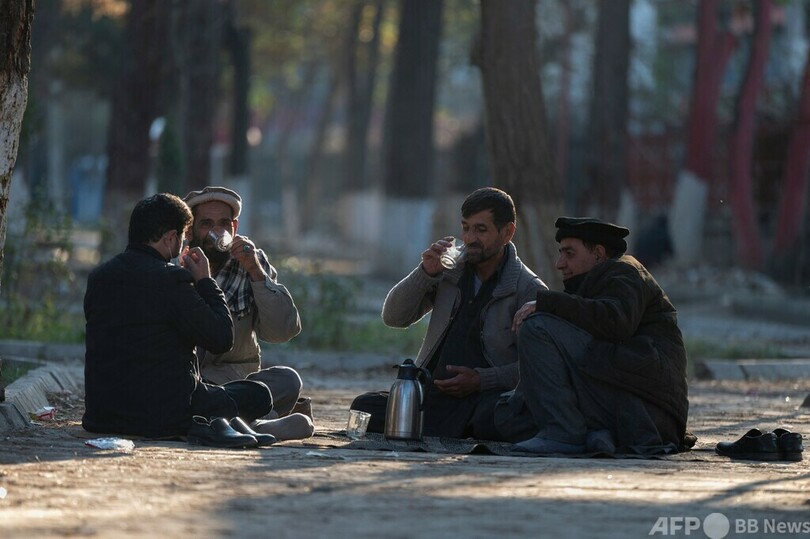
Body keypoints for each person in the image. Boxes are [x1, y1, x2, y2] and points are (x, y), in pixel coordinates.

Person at [352, 187, 547, 440]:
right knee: (363, 406)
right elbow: (394, 317)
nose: (469, 238)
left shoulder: (528, 289)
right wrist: (425, 272)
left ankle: (444, 427)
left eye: (481, 229)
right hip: (431, 395)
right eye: (465, 228)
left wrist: (481, 380)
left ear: (507, 232)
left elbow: (539, 367)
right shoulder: (450, 270)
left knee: (496, 419)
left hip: (483, 399)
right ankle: (440, 426)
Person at [83, 193, 275, 448]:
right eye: (183, 236)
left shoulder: (99, 277)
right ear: (171, 237)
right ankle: (215, 422)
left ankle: (222, 421)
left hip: (101, 415)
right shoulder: (171, 280)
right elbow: (221, 338)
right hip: (161, 416)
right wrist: (205, 281)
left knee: (220, 392)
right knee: (259, 395)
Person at [499, 217, 692, 455]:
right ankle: (592, 433)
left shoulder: (625, 272)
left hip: (646, 409)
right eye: (561, 253)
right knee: (507, 413)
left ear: (599, 254)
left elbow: (615, 322)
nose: (560, 263)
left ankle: (563, 433)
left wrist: (548, 302)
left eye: (569, 253)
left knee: (536, 327)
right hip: (620, 395)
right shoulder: (597, 280)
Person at [182, 186, 313, 440]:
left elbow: (282, 331)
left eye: (223, 223)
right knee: (185, 394)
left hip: (237, 382)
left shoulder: (250, 261)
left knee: (288, 380)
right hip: (191, 381)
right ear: (190, 230)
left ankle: (231, 423)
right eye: (206, 223)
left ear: (235, 227)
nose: (215, 232)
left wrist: (256, 272)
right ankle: (259, 426)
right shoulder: (179, 263)